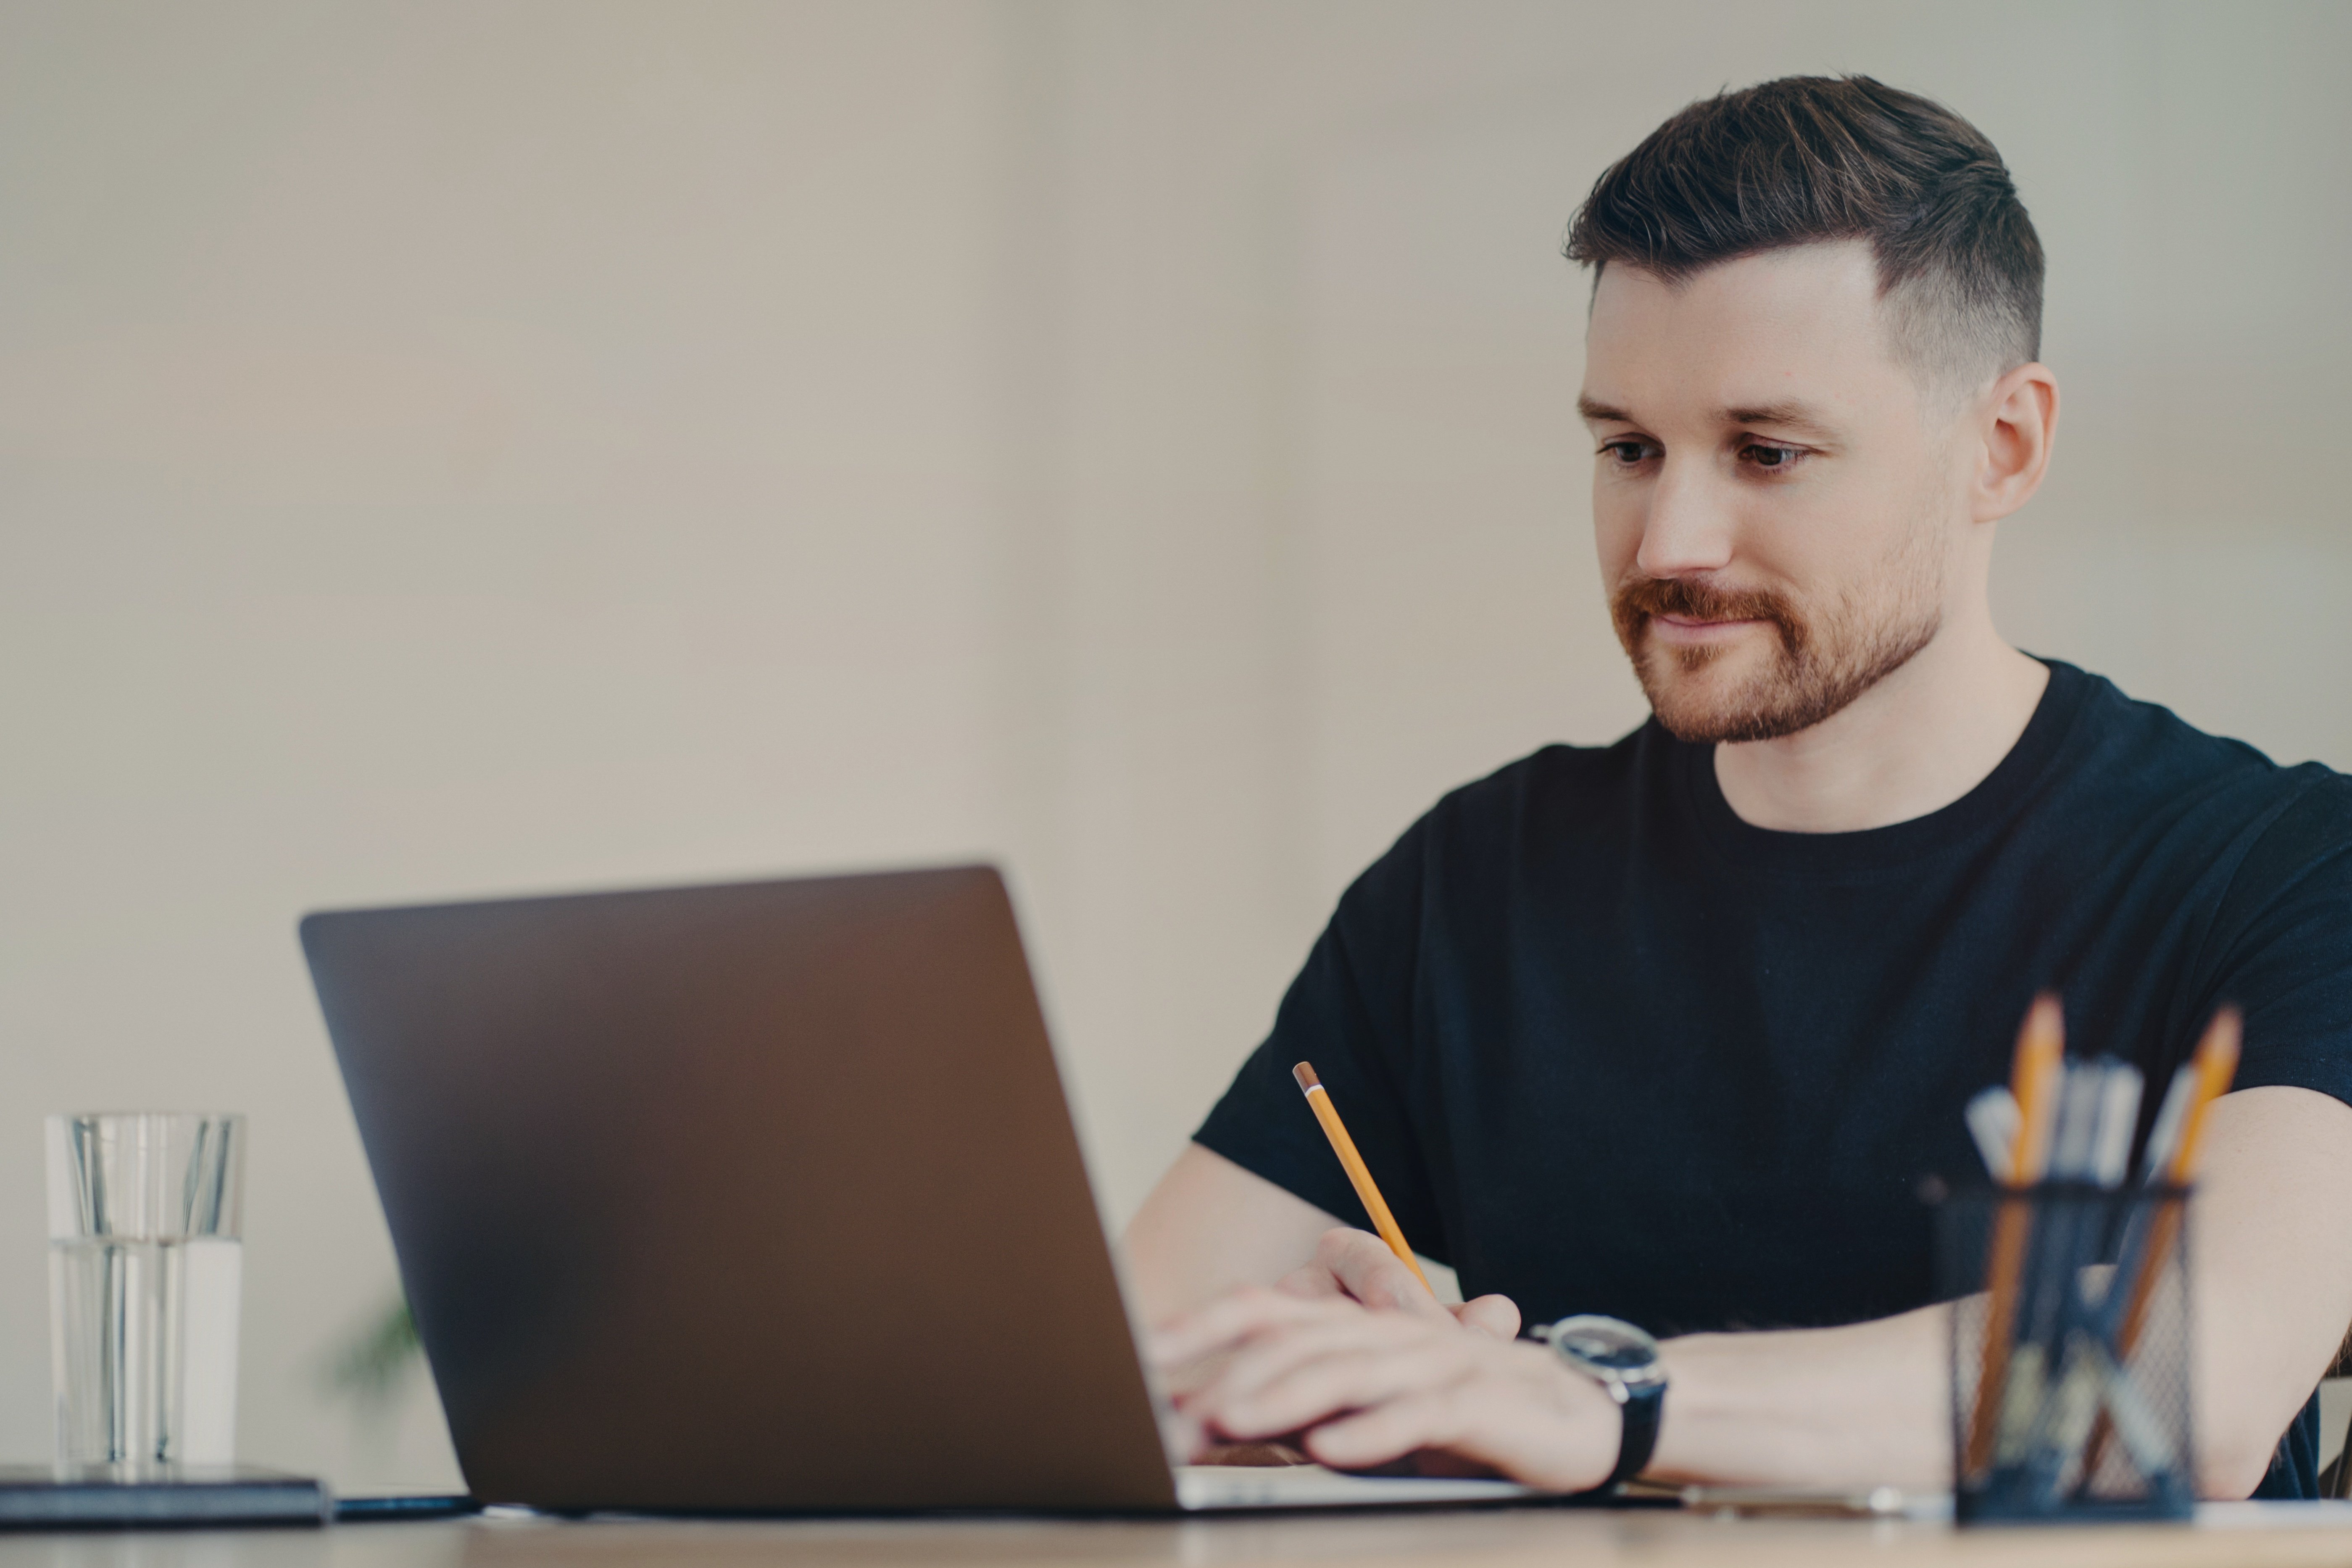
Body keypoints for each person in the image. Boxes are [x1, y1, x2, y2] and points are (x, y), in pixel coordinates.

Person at [1124, 75, 2352, 1500]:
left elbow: (2194, 1377)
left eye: (1768, 453)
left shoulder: (2284, 867)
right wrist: (1284, 1379)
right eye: (1628, 448)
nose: (1672, 537)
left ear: (2003, 446)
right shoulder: (1476, 880)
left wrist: (1595, 1401)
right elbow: (1127, 1358)